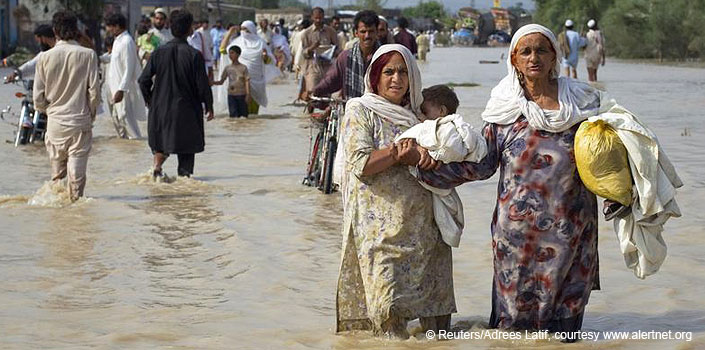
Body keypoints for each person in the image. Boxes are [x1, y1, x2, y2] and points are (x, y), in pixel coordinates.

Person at [413, 24, 613, 337]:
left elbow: (603, 161)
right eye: (526, 51)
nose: (534, 57)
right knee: (511, 332)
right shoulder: (504, 110)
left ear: (554, 56)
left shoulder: (581, 106)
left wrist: (624, 196)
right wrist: (424, 168)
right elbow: (481, 164)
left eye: (541, 50)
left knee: (565, 331)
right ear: (514, 59)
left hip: (572, 234)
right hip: (518, 240)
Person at [335, 44, 455, 338]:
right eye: (388, 71)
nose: (396, 79)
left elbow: (448, 158)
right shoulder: (360, 109)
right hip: (380, 235)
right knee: (388, 315)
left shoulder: (419, 115)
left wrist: (425, 158)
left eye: (403, 72)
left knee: (433, 330)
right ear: (375, 76)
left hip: (424, 231)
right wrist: (396, 153)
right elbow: (360, 162)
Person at [138, 9, 214, 179]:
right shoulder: (194, 55)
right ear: (189, 30)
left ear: (170, 27)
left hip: (161, 109)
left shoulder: (158, 53)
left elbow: (143, 80)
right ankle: (184, 190)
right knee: (186, 153)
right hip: (187, 110)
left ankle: (156, 168)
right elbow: (203, 86)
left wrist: (151, 101)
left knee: (161, 144)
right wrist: (209, 106)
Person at [33, 11, 100, 201]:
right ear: (76, 31)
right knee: (76, 180)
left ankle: (58, 218)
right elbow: (94, 93)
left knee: (57, 178)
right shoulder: (88, 55)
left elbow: (38, 98)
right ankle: (75, 214)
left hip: (55, 123)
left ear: (55, 31)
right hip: (80, 121)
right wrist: (91, 115)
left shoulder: (44, 58)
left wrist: (49, 111)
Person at [308, 10, 380, 100]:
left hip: (379, 108)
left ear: (377, 32)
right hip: (352, 108)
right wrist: (314, 91)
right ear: (356, 33)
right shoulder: (345, 57)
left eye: (371, 31)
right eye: (363, 31)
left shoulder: (385, 56)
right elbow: (331, 80)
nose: (367, 36)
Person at [105, 13, 147, 139]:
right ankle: (125, 152)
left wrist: (121, 90)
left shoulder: (127, 42)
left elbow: (129, 69)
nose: (107, 30)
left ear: (117, 26)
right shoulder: (118, 41)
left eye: (109, 26)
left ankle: (136, 150)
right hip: (113, 89)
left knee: (128, 123)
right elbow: (114, 58)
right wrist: (100, 58)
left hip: (121, 90)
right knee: (118, 121)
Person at [225, 20, 273, 115]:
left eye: (246, 29)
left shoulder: (260, 43)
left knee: (253, 115)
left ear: (252, 30)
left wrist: (265, 57)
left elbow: (269, 61)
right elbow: (223, 50)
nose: (244, 32)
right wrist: (229, 34)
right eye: (242, 29)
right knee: (241, 114)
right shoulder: (237, 43)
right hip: (240, 83)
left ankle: (251, 128)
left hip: (256, 81)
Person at [299, 7, 340, 99]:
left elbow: (337, 48)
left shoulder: (330, 31)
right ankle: (310, 110)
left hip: (327, 66)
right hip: (312, 67)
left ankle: (325, 112)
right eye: (316, 18)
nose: (318, 20)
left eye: (320, 18)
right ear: (312, 18)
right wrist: (312, 47)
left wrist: (331, 51)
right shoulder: (306, 33)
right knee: (312, 91)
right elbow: (304, 53)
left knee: (327, 92)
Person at [213, 46, 250, 118]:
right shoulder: (227, 68)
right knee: (233, 117)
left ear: (238, 54)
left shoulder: (243, 67)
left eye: (232, 53)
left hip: (242, 95)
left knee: (244, 117)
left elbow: (247, 81)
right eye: (229, 53)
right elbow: (221, 81)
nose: (230, 55)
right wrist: (212, 82)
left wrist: (248, 94)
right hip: (231, 95)